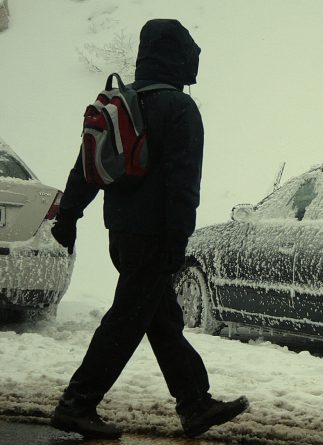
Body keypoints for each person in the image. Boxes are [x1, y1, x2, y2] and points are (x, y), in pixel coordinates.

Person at [49, 19, 248, 440]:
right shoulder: (179, 109)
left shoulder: (122, 103)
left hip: (121, 233)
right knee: (126, 321)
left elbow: (84, 168)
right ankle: (76, 404)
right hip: (156, 236)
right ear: (180, 58)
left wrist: (69, 216)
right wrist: (178, 240)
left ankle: (194, 403)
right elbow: (182, 185)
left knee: (160, 318)